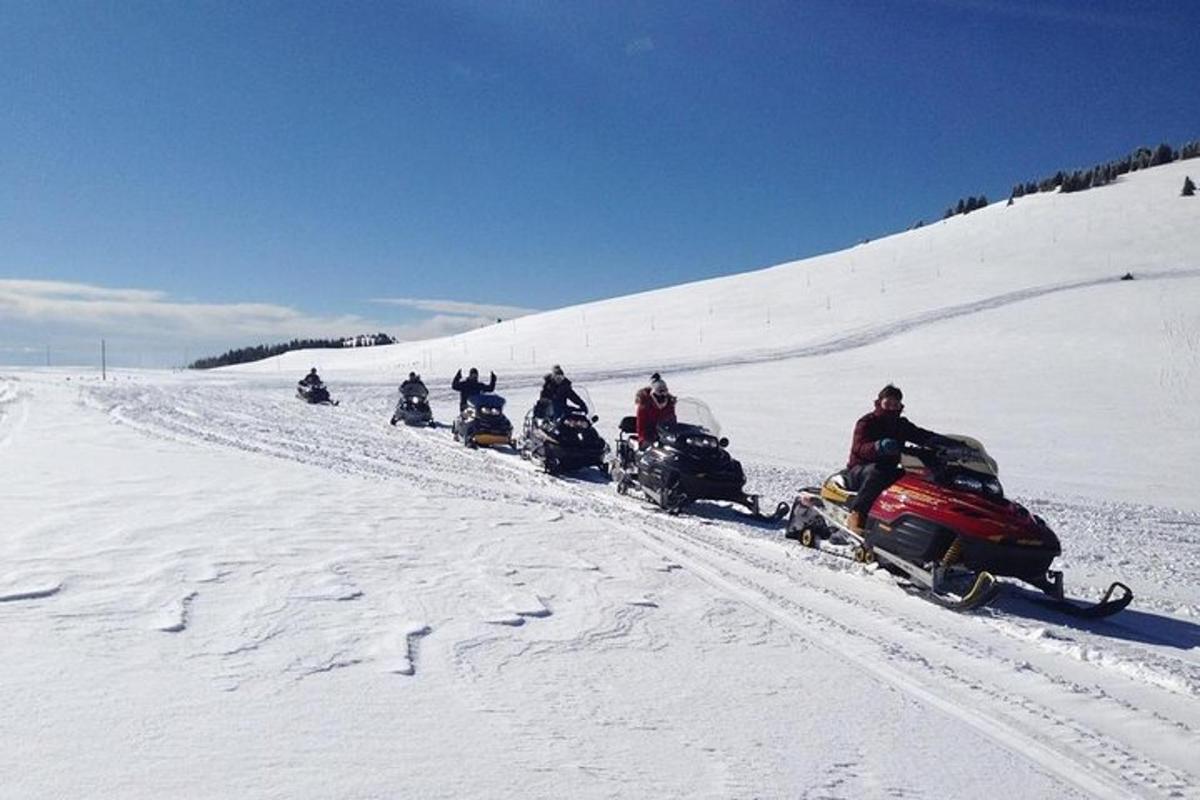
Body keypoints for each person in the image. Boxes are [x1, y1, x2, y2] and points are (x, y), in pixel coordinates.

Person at [843, 384, 942, 533]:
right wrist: (878, 447)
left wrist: (947, 443)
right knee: (877, 471)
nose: (891, 407)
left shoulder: (901, 425)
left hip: (888, 470)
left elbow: (922, 435)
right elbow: (859, 447)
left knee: (915, 477)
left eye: (895, 404)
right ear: (879, 402)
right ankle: (857, 514)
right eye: (888, 403)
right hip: (859, 470)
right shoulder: (867, 422)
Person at [634, 377, 676, 447]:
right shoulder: (645, 405)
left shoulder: (669, 404)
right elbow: (641, 426)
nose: (662, 398)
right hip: (649, 438)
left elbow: (673, 422)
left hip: (665, 437)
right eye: (659, 395)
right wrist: (645, 439)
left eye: (664, 395)